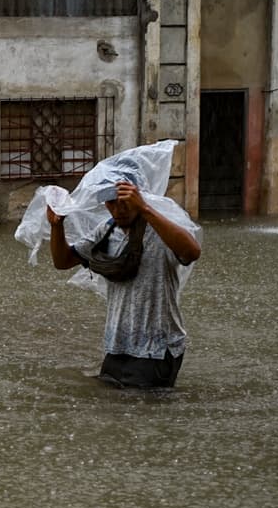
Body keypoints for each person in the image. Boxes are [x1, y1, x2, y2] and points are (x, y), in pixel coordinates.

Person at [47, 165, 201, 389]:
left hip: (156, 350)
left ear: (138, 197)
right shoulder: (107, 230)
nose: (118, 210)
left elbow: (192, 252)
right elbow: (62, 261)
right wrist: (57, 226)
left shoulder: (159, 229)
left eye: (124, 201)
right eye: (111, 203)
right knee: (112, 413)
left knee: (142, 416)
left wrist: (146, 209)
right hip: (117, 345)